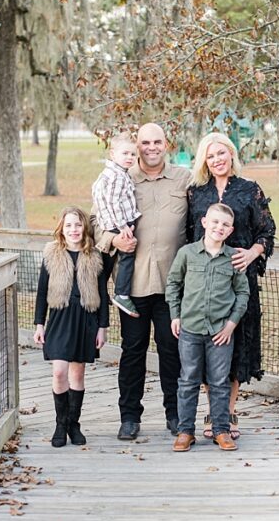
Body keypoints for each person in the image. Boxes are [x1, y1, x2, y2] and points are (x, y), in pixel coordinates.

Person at [92, 123, 191, 440]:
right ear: (136, 146)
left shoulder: (184, 179)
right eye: (144, 142)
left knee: (171, 352)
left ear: (166, 144)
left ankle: (175, 415)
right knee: (133, 351)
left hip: (172, 287)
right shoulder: (121, 176)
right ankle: (129, 417)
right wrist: (112, 241)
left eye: (157, 142)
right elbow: (96, 220)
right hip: (132, 288)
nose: (151, 147)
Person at [186, 132, 275, 439]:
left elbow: (267, 231)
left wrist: (253, 253)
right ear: (204, 161)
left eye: (222, 153)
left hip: (239, 280)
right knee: (210, 344)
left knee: (234, 347)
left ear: (232, 154)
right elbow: (188, 236)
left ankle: (228, 413)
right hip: (206, 282)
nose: (217, 159)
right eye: (211, 156)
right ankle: (214, 411)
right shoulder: (196, 193)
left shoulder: (250, 190)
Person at [167, 202, 250, 452]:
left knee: (219, 381)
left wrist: (230, 326)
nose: (219, 227)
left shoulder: (233, 257)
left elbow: (242, 293)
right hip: (190, 328)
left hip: (220, 333)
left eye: (225, 224)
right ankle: (185, 431)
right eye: (214, 222)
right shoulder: (187, 253)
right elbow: (173, 283)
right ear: (204, 222)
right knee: (188, 380)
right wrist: (175, 315)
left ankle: (221, 430)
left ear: (231, 230)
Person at [33, 207, 111, 448]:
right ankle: (60, 423)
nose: (74, 230)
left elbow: (102, 293)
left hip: (85, 319)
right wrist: (39, 323)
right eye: (69, 225)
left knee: (77, 373)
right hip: (59, 318)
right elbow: (42, 291)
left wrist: (102, 327)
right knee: (59, 372)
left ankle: (73, 424)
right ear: (62, 229)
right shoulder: (52, 255)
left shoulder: (95, 257)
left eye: (78, 225)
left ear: (84, 228)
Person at [91, 132, 141, 317]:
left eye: (133, 154)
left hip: (113, 223)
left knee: (106, 264)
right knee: (127, 256)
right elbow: (112, 202)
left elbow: (96, 192)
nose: (130, 158)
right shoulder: (117, 176)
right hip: (118, 224)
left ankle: (101, 296)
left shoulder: (111, 173)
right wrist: (122, 226)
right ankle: (121, 294)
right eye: (125, 153)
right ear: (113, 154)